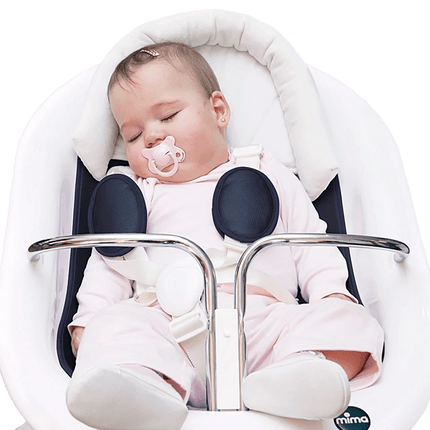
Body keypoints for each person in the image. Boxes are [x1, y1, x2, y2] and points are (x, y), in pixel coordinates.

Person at [66, 42, 384, 430]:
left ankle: (299, 377)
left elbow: (308, 240)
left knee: (352, 322)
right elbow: (112, 262)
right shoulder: (135, 193)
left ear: (218, 110)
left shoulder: (263, 170)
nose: (150, 137)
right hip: (165, 332)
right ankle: (145, 390)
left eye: (167, 116)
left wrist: (331, 292)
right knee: (113, 327)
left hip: (263, 328)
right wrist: (89, 319)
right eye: (132, 135)